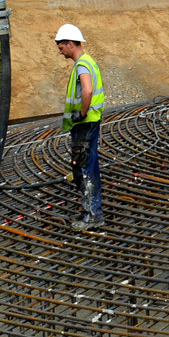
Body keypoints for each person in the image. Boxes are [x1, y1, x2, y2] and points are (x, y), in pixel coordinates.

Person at [55, 23, 106, 231]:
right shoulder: (87, 62)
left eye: (61, 46)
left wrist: (82, 112)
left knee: (85, 168)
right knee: (86, 166)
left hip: (85, 124)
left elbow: (87, 90)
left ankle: (93, 215)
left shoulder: (83, 65)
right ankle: (90, 211)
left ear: (70, 43)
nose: (59, 51)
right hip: (89, 123)